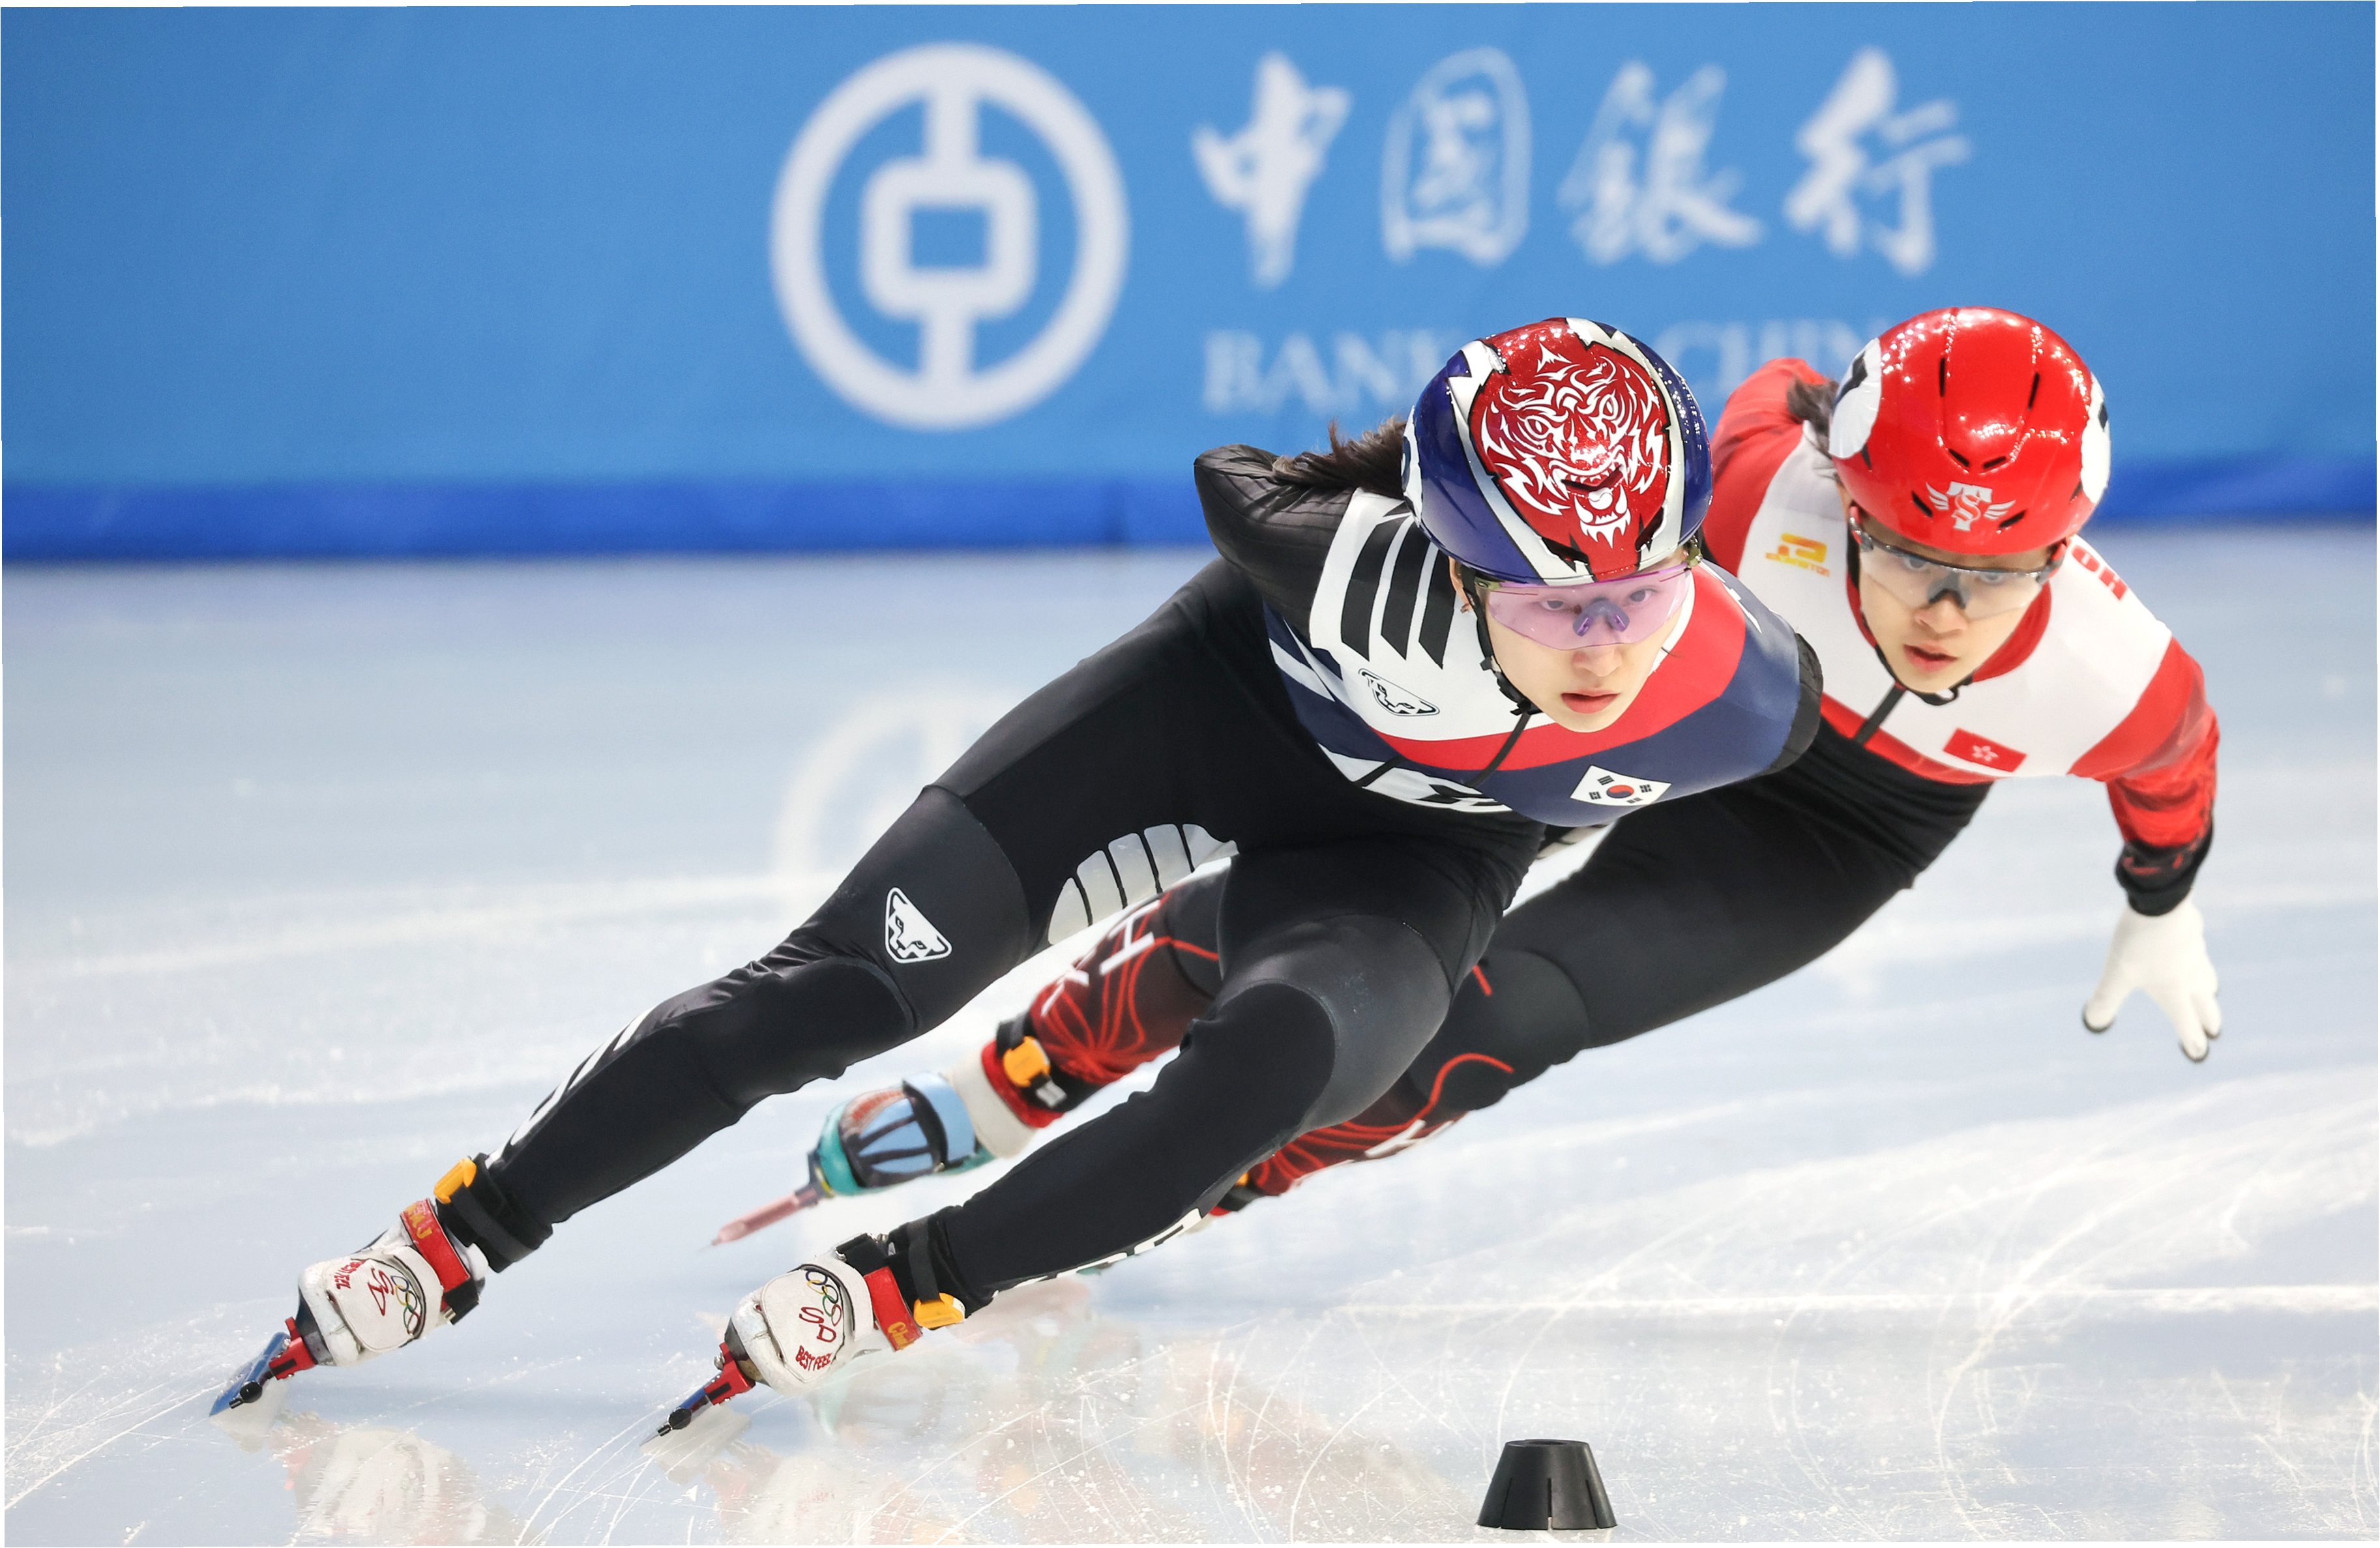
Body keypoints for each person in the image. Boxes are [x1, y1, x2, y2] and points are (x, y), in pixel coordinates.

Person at [230, 317, 1821, 1416]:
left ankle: (915, 1279)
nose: (1602, 646)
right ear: (1455, 566)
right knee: (839, 992)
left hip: (1408, 862)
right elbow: (1231, 481)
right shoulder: (1350, 578)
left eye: (1637, 595)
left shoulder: (1743, 701)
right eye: (1548, 606)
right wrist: (1360, 513)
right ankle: (464, 1232)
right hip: (1207, 723)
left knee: (1279, 1076)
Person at [750, 305, 2220, 1242]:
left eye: (2002, 572)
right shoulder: (1754, 484)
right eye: (1901, 551)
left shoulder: (2114, 680)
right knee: (1345, 897)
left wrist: (2160, 900)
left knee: (1484, 1029)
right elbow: (1736, 413)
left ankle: (1199, 1180)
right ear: (1841, 491)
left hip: (1840, 830)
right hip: (1661, 713)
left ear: (2066, 552)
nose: (1945, 611)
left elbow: (2175, 776)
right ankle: (1047, 1050)